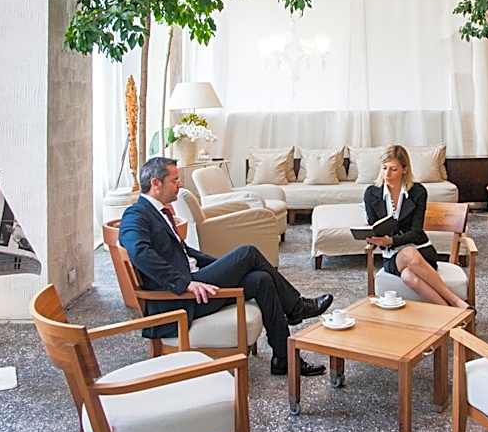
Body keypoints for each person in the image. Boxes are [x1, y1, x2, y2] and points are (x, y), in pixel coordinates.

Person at [119, 157, 333, 376]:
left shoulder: (161, 212)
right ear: (156, 183)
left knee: (262, 279)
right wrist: (185, 284)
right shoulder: (135, 214)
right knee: (248, 252)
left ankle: (283, 359)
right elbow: (139, 253)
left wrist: (224, 268)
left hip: (195, 283)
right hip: (180, 299)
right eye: (174, 180)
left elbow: (184, 253)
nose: (179, 184)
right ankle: (296, 307)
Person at [363, 145, 469, 309]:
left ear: (404, 169)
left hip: (422, 251)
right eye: (384, 168)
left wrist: (391, 240)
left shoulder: (418, 191)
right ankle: (456, 305)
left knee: (408, 276)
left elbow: (416, 232)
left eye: (393, 169)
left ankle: (451, 310)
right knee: (407, 262)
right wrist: (374, 237)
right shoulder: (371, 194)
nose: (387, 174)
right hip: (393, 257)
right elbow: (374, 227)